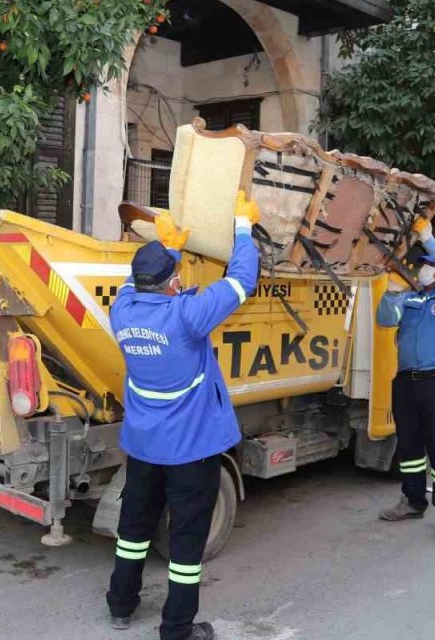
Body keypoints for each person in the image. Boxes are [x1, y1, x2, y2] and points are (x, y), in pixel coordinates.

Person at [105, 191, 261, 640]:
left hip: (143, 445)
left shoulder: (123, 311)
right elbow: (241, 279)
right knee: (188, 540)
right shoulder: (187, 316)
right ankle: (177, 628)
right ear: (173, 282)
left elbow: (138, 283)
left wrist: (169, 249)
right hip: (190, 450)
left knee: (134, 526)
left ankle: (121, 604)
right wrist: (242, 227)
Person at [376, 217, 435, 545]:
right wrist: (391, 293)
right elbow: (385, 320)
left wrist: (431, 241)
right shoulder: (411, 300)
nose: (422, 270)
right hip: (406, 383)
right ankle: (413, 500)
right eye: (421, 266)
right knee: (410, 447)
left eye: (427, 264)